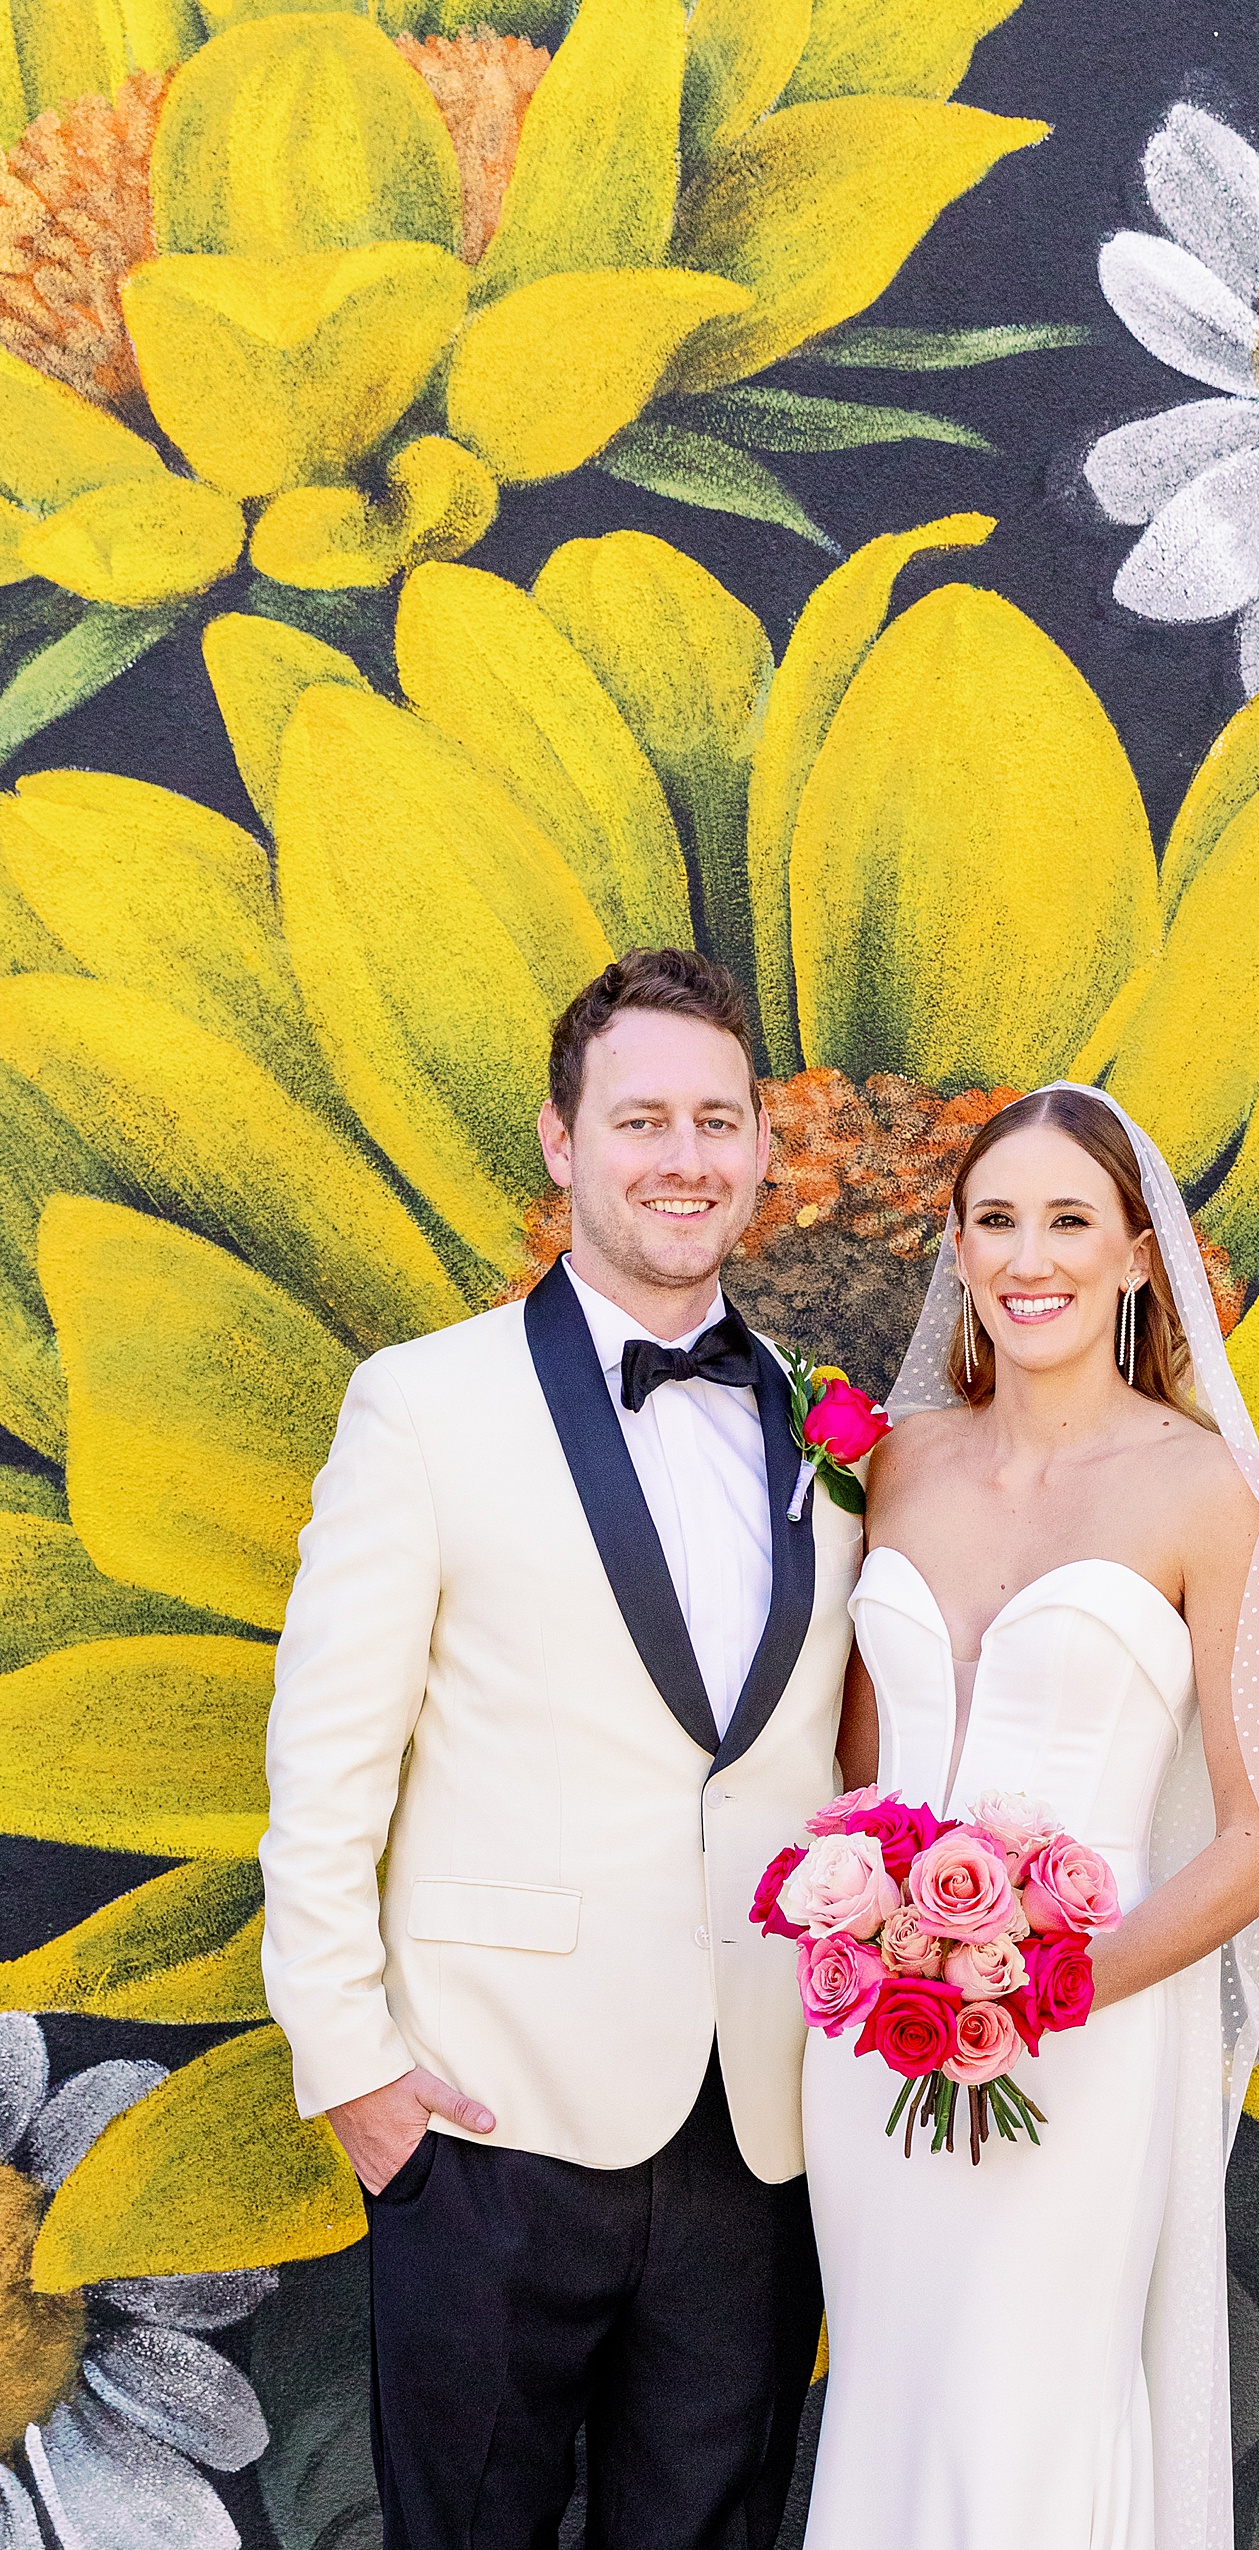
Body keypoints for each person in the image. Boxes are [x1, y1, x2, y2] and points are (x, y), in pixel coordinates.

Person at [259, 947, 863, 2550]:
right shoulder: (421, 1406)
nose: (684, 1157)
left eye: (718, 1120)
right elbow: (325, 1768)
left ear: (760, 1149)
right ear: (561, 1139)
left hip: (756, 2120)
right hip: (488, 2120)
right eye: (642, 1117)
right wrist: (357, 2072)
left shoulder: (828, 1429)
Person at [801, 1083, 1259, 2550]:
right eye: (994, 1220)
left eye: (1067, 1221)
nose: (1027, 1257)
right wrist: (878, 1932)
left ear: (1137, 1255)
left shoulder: (1201, 1489)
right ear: (958, 1250)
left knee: (1028, 2409)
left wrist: (1045, 1982)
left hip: (1082, 2038)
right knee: (893, 2399)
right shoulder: (892, 1463)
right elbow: (854, 1778)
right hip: (873, 2041)